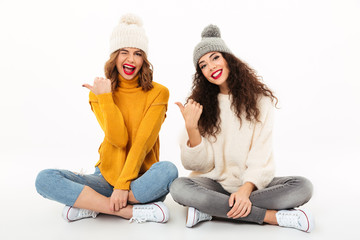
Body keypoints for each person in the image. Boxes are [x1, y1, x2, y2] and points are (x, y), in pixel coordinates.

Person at [170, 24, 314, 232]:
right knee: (179, 187)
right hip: (215, 185)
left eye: (215, 58)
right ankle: (271, 217)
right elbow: (200, 165)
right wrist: (192, 128)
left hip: (253, 186)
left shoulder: (260, 101)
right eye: (203, 65)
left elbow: (261, 156)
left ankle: (210, 210)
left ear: (229, 59)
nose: (210, 67)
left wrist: (246, 191)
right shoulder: (200, 105)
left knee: (302, 186)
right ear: (201, 73)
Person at [35, 13, 178, 223]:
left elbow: (141, 144)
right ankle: (127, 211)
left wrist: (122, 186)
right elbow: (118, 139)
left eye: (138, 53)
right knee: (44, 179)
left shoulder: (158, 92)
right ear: (114, 56)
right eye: (124, 52)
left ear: (144, 60)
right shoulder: (100, 93)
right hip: (105, 178)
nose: (131, 59)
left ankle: (92, 204)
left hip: (141, 181)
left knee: (168, 170)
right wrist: (106, 98)